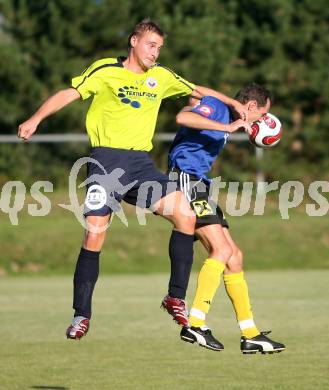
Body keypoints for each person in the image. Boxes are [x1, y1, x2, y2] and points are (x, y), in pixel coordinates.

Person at [18, 19, 249, 340]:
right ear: (134, 41)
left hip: (141, 165)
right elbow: (69, 93)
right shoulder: (106, 70)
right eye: (151, 45)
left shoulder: (162, 77)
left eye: (159, 48)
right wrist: (35, 118)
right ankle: (81, 314)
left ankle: (175, 297)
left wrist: (235, 104)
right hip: (106, 162)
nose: (155, 53)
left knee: (185, 213)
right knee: (95, 234)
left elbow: (198, 90)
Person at [167, 83, 286, 354]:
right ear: (252, 106)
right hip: (185, 179)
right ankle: (194, 323)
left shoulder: (226, 111)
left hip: (200, 185)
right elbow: (183, 117)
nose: (261, 122)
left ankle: (250, 334)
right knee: (221, 250)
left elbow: (191, 98)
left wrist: (205, 108)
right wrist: (229, 126)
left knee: (234, 256)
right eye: (262, 115)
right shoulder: (221, 110)